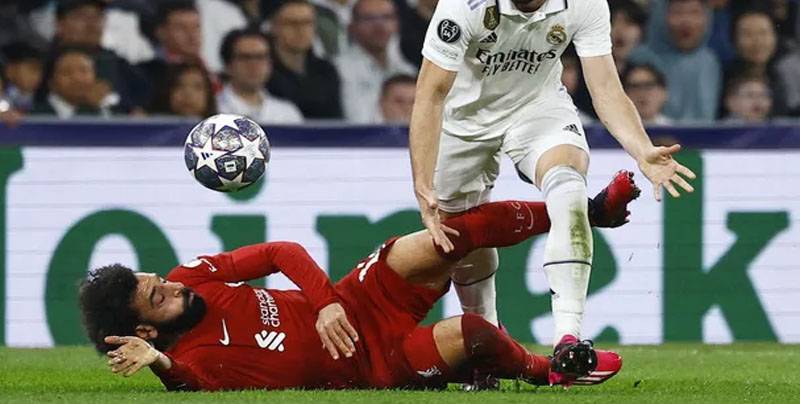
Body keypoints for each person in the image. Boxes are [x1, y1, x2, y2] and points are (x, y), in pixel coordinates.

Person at [409, 0, 695, 390]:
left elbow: (604, 88)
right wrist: (421, 181)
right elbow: (431, 93)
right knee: (462, 239)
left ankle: (568, 340)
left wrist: (641, 149)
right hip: (463, 119)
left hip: (536, 106)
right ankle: (487, 348)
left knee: (568, 187)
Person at [80, 172, 641, 391]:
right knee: (471, 333)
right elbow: (185, 384)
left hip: (356, 298)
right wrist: (158, 364)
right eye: (158, 297)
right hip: (375, 365)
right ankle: (553, 373)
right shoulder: (192, 361)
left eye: (159, 279)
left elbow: (279, 252)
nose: (173, 287)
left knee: (448, 234)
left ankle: (590, 211)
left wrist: (326, 303)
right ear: (145, 333)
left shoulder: (193, 276)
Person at [628, 0, 722, 121]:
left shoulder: (710, 61)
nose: (686, 21)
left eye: (695, 12)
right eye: (677, 12)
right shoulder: (639, 59)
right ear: (660, 16)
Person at [336, 0, 416, 123]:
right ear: (352, 26)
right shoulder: (339, 70)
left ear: (397, 24)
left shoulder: (407, 70)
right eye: (369, 18)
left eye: (387, 17)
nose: (379, 25)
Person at [268, 0, 343, 119]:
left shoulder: (326, 70)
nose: (300, 30)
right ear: (274, 27)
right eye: (291, 23)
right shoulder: (264, 71)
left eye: (307, 23)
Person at [216, 27, 303, 124]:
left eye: (260, 57)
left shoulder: (287, 113)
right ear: (228, 65)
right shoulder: (213, 109)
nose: (254, 65)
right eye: (245, 57)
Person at [149, 62, 217, 117]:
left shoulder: (220, 127)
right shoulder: (150, 124)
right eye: (179, 86)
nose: (188, 93)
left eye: (197, 87)